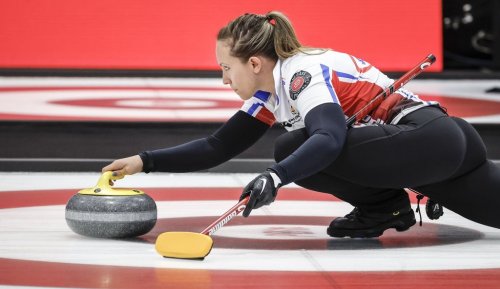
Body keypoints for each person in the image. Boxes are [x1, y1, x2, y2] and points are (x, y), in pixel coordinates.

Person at [103, 11, 500, 238]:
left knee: (291, 149)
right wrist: (144, 160)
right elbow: (217, 146)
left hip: (427, 140)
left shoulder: (301, 74)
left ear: (254, 64)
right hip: (440, 147)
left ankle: (383, 207)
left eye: (226, 68)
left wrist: (275, 178)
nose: (224, 79)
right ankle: (387, 210)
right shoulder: (270, 95)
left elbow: (329, 138)